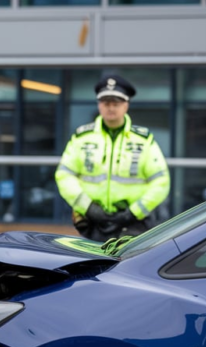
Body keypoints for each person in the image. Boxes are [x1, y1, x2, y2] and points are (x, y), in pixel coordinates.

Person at [56, 74, 170, 242]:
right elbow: (64, 175)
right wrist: (88, 208)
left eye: (116, 103)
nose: (110, 108)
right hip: (92, 222)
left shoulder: (143, 140)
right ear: (99, 105)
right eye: (105, 103)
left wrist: (133, 213)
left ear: (126, 105)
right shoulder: (82, 137)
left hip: (133, 225)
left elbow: (161, 182)